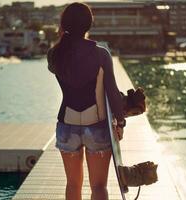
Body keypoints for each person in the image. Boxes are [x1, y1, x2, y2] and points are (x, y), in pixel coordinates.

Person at [47, 2, 126, 200]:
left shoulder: (55, 54)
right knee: (98, 186)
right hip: (97, 126)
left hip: (67, 125)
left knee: (73, 185)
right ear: (89, 24)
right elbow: (113, 93)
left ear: (64, 24)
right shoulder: (101, 54)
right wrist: (121, 122)